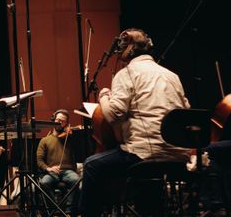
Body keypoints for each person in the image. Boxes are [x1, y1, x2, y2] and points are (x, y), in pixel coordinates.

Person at [79, 28, 191, 216]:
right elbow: (186, 110)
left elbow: (113, 114)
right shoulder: (172, 75)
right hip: (178, 154)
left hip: (145, 154)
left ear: (127, 49)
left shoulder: (127, 73)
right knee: (142, 176)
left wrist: (104, 96)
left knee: (91, 164)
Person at [36, 109, 80, 214]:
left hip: (68, 171)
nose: (60, 123)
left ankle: (69, 212)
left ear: (66, 124)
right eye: (58, 120)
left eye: (63, 121)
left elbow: (80, 148)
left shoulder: (70, 138)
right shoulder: (45, 140)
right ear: (53, 120)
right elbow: (39, 160)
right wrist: (49, 168)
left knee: (76, 180)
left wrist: (73, 136)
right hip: (52, 171)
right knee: (44, 183)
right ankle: (54, 211)